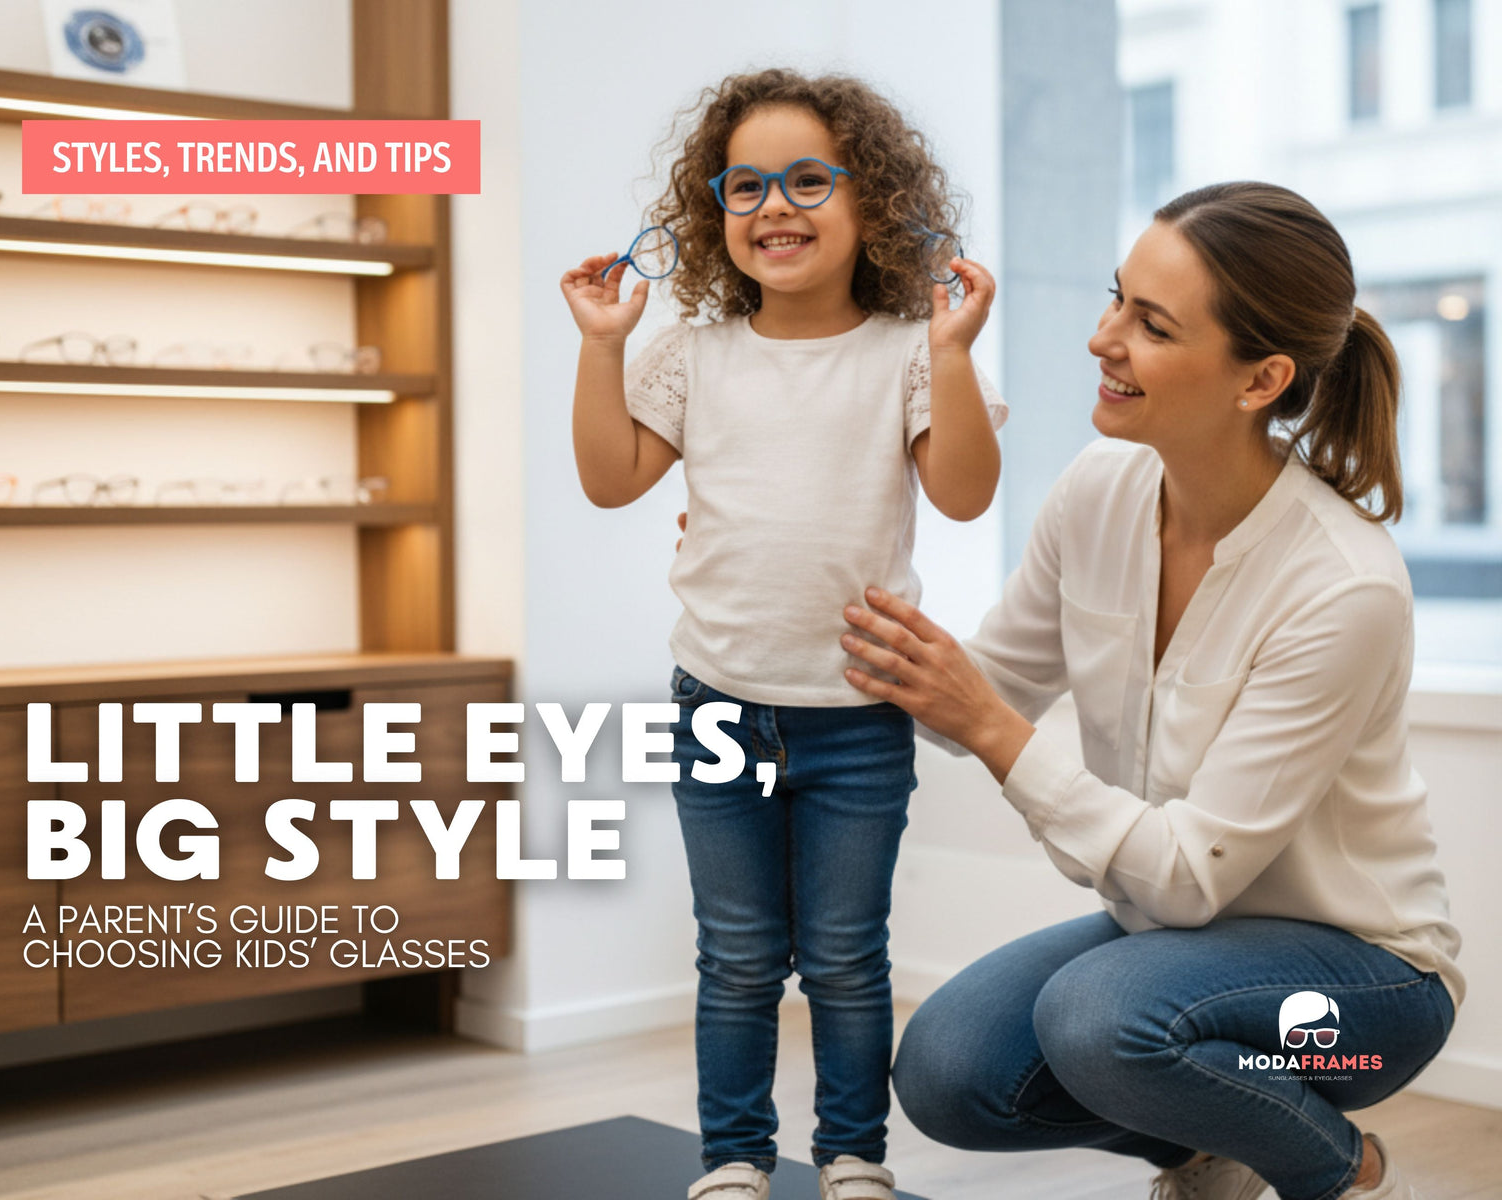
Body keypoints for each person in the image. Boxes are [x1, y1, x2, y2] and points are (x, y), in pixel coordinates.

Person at [839, 181, 1460, 1200]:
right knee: (948, 1074)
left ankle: (1340, 1168)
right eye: (1115, 298)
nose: (1102, 338)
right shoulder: (1100, 488)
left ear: (1258, 379)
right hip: (1176, 954)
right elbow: (981, 689)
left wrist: (992, 728)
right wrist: (787, 570)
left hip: (1366, 988)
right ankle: (1213, 1146)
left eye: (1151, 325)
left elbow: (1180, 875)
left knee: (1097, 1020)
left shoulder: (1343, 586)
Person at [560, 68, 1008, 1200]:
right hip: (716, 700)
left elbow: (961, 494)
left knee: (849, 960)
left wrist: (951, 354)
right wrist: (603, 343)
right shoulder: (695, 354)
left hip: (857, 712)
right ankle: (734, 1160)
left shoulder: (911, 349)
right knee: (740, 957)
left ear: (875, 206)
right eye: (745, 184)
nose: (774, 206)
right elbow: (611, 480)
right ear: (716, 214)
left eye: (809, 179)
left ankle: (852, 1157)